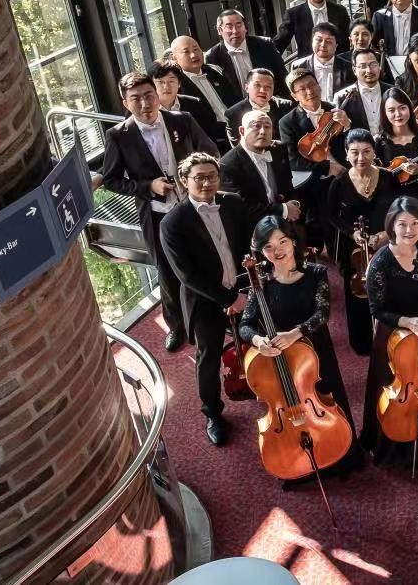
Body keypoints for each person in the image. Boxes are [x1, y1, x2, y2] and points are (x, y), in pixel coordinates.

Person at [102, 72, 217, 352]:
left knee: (207, 258)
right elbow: (111, 180)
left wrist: (196, 177)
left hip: (193, 206)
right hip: (157, 215)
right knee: (167, 272)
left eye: (148, 95)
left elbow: (210, 150)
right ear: (125, 103)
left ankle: (215, 313)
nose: (144, 104)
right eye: (136, 99)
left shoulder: (182, 120)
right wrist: (148, 186)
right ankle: (177, 326)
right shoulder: (117, 136)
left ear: (156, 94)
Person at [240, 215, 358, 463]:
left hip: (314, 351)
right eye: (268, 247)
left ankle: (341, 454)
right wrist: (259, 341)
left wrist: (295, 333)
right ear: (261, 251)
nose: (277, 251)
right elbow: (245, 325)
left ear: (293, 241)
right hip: (280, 357)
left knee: (327, 400)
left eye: (282, 241)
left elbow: (322, 314)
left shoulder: (316, 273)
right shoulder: (260, 282)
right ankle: (294, 458)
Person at [160, 152, 252, 446]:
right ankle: (213, 413)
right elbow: (187, 275)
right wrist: (228, 299)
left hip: (243, 290)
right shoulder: (173, 223)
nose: (207, 183)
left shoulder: (233, 204)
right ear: (184, 180)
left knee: (265, 337)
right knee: (208, 357)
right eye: (199, 177)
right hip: (205, 299)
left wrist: (245, 290)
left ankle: (270, 387)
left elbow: (248, 245)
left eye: (212, 176)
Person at [361, 197, 418, 457]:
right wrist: (407, 322)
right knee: (395, 388)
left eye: (415, 223)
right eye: (402, 224)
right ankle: (392, 442)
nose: (409, 230)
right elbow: (377, 310)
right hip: (394, 333)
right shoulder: (380, 262)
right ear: (391, 226)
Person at [327, 128, 398, 356]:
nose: (361, 157)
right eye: (355, 152)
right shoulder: (339, 183)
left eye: (367, 151)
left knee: (389, 290)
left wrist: (387, 234)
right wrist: (352, 233)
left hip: (386, 244)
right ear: (346, 153)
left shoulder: (389, 177)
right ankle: (363, 343)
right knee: (358, 293)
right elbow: (331, 215)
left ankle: (390, 338)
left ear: (374, 152)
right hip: (354, 251)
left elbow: (400, 210)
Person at [277, 67, 351, 253]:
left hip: (345, 172)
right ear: (294, 96)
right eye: (302, 89)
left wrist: (347, 126)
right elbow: (293, 160)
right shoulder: (287, 122)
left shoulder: (335, 110)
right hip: (315, 180)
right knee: (327, 221)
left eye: (312, 85)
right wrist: (328, 168)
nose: (309, 91)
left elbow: (352, 143)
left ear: (319, 86)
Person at [219, 109, 300, 226]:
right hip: (254, 228)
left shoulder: (279, 150)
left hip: (285, 222)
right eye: (256, 126)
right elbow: (242, 207)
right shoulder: (227, 165)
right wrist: (283, 209)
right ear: (242, 131)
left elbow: (288, 184)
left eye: (267, 127)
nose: (263, 131)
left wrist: (294, 202)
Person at [206, 8, 289, 97]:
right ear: (219, 30)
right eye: (229, 27)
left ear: (245, 27)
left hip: (270, 99)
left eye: (239, 25)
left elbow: (282, 75)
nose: (235, 31)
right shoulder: (213, 56)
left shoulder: (264, 44)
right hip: (238, 104)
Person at [170, 35, 235, 146]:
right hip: (213, 141)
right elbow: (201, 124)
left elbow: (234, 100)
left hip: (238, 130)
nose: (194, 55)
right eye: (186, 52)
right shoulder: (177, 87)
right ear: (174, 58)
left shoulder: (215, 71)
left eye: (196, 49)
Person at [377, 85, 418, 208]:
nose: (398, 114)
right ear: (384, 113)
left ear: (409, 108)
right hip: (392, 205)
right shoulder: (379, 142)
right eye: (391, 110)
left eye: (402, 108)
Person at [275, 0, 351, 57]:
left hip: (338, 62)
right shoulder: (294, 14)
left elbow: (347, 39)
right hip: (308, 63)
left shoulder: (340, 10)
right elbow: (280, 41)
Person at [149, 58, 220, 145]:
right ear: (151, 84)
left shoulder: (194, 104)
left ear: (179, 83)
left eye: (171, 81)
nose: (166, 86)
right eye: (160, 82)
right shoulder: (147, 110)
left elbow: (208, 136)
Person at [223, 68, 294, 138]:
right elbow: (238, 144)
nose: (263, 90)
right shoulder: (233, 114)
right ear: (246, 88)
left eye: (268, 86)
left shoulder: (286, 106)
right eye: (257, 85)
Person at [292, 22, 354, 102]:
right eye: (319, 40)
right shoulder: (298, 66)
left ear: (336, 46)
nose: (323, 45)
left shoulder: (348, 67)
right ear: (312, 42)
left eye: (328, 41)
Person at [336, 49, 390, 136]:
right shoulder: (341, 97)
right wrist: (347, 125)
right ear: (354, 70)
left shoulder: (393, 91)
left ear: (379, 66)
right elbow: (339, 135)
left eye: (373, 64)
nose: (369, 70)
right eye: (363, 66)